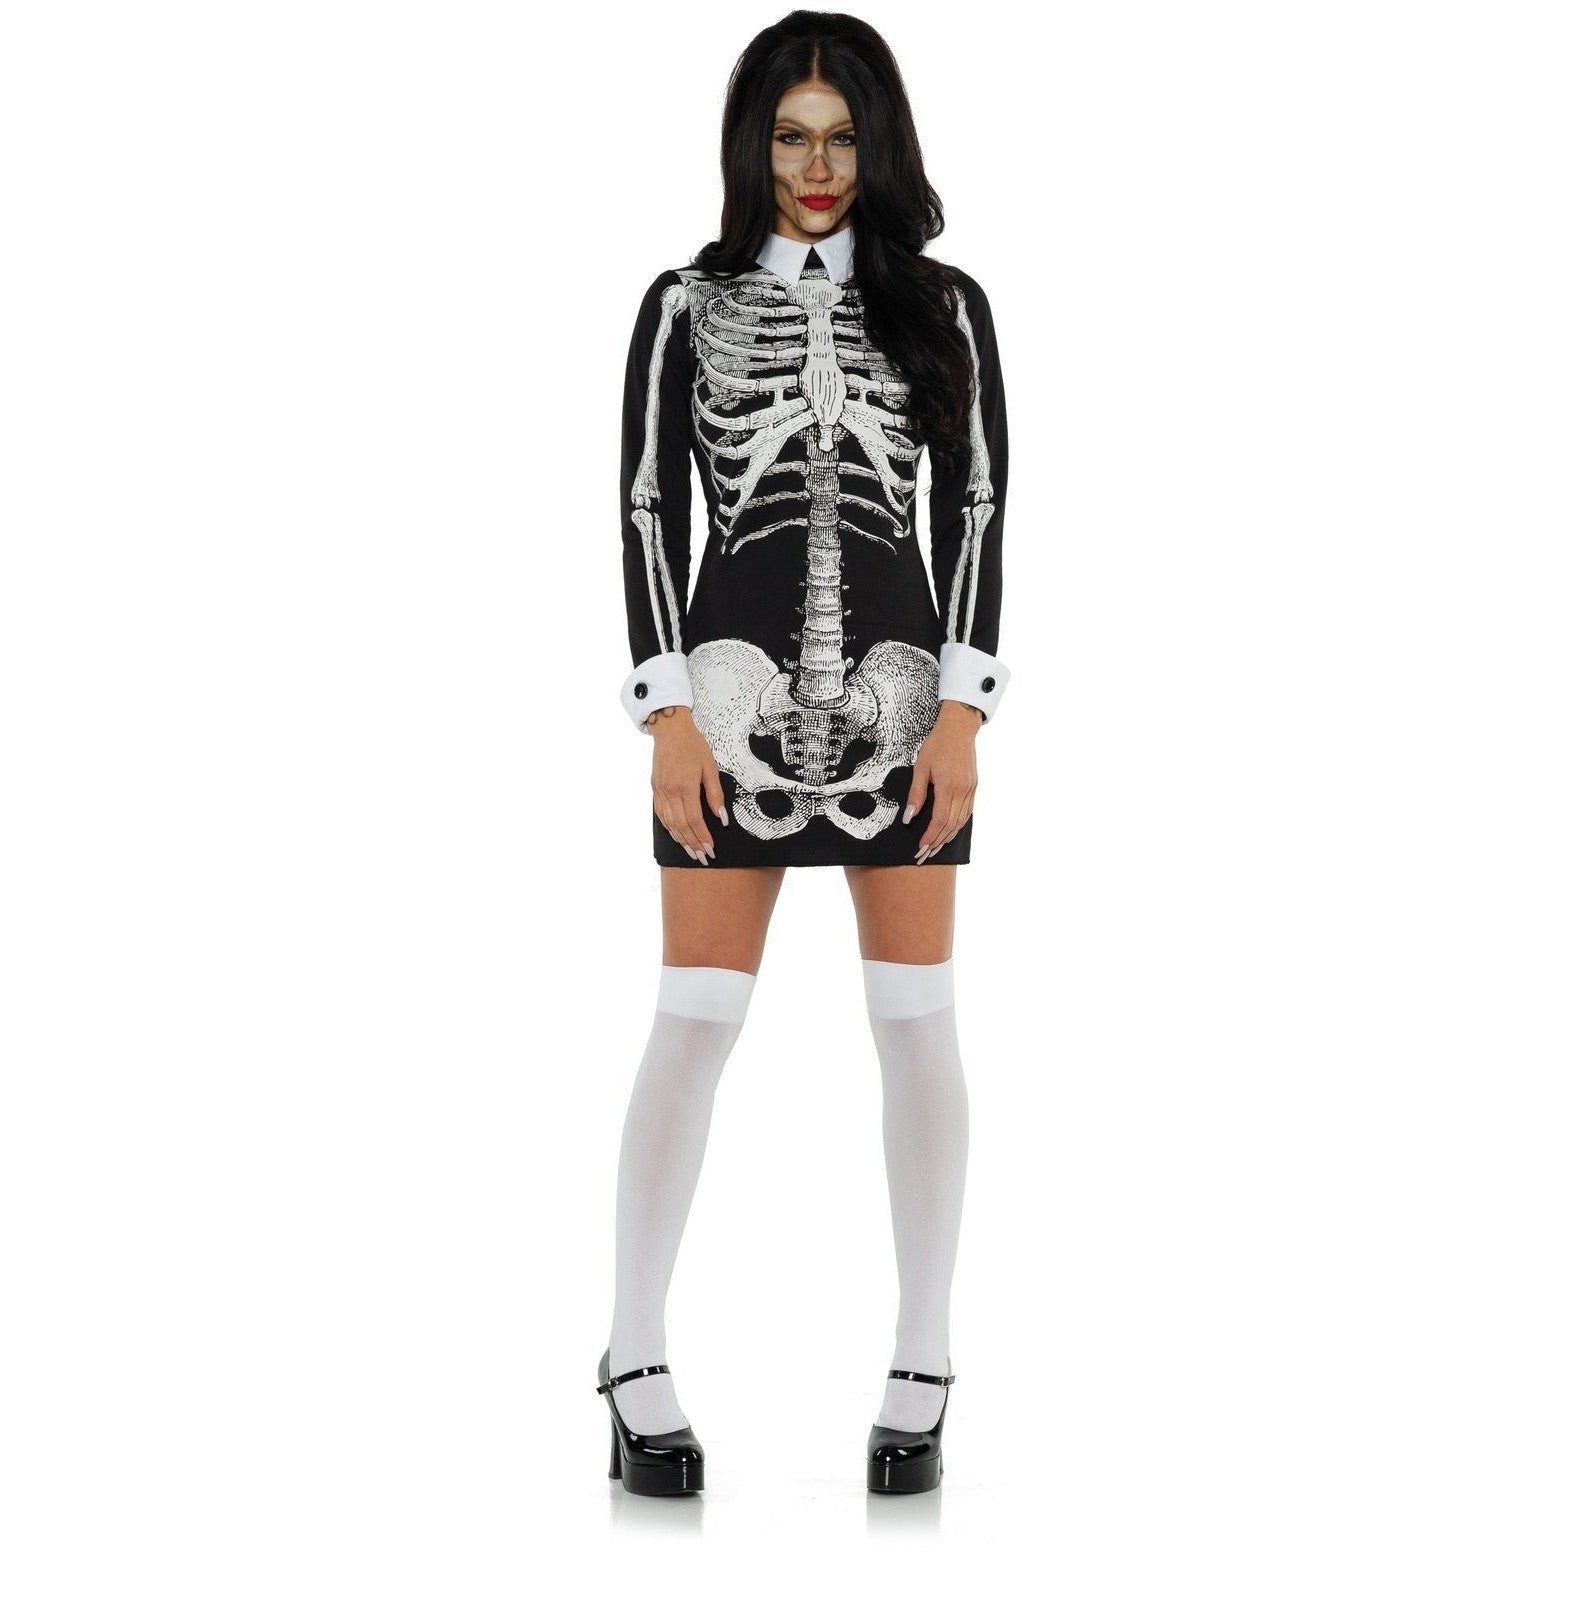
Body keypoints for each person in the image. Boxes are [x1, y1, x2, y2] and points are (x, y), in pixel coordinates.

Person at [597, 11, 1010, 1498]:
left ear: (877, 145)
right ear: (751, 146)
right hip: (730, 696)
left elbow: (978, 510)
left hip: (903, 698)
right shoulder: (685, 304)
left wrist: (963, 710)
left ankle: (925, 1356)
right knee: (696, 1016)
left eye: (841, 138)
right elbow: (647, 505)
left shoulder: (944, 307)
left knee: (916, 1019)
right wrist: (663, 713)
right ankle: (633, 1352)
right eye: (790, 137)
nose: (817, 166)